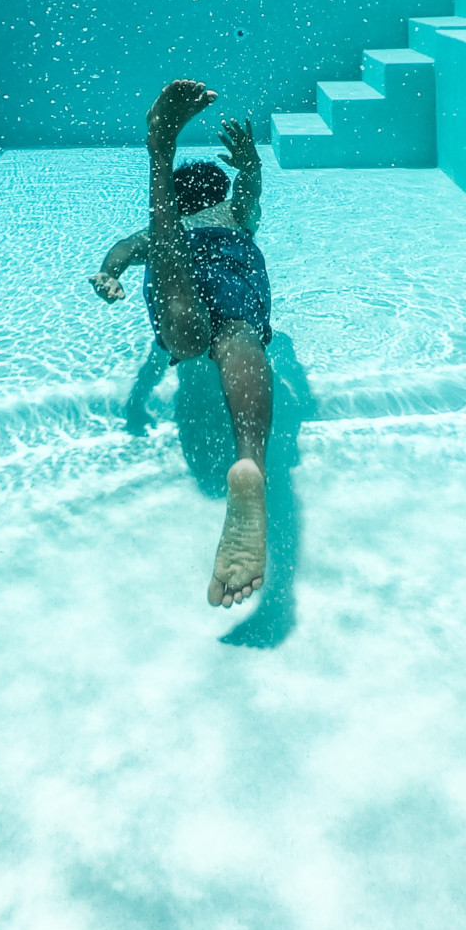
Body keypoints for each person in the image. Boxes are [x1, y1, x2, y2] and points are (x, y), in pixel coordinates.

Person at [90, 79, 272, 608]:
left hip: (177, 263)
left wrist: (110, 274)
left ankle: (159, 154)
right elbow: (251, 194)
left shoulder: (165, 232)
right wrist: (251, 163)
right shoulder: (234, 217)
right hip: (235, 260)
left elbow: (125, 248)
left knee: (183, 324)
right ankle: (250, 463)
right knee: (237, 335)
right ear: (216, 193)